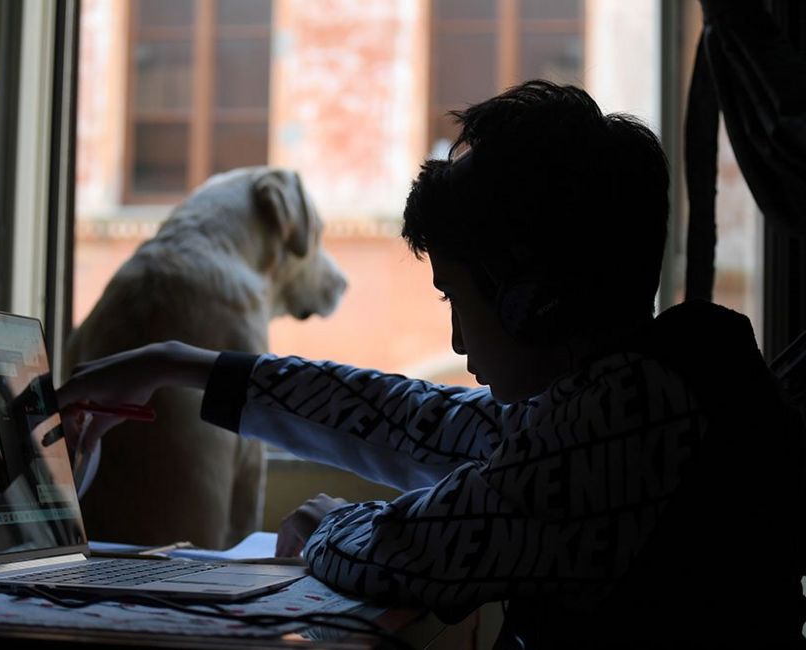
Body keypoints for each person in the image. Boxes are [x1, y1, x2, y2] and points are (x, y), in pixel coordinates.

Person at [57, 81, 806, 648]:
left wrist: (327, 523)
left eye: (456, 297)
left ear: (527, 299)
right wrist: (180, 364)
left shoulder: (626, 418)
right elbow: (417, 419)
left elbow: (414, 550)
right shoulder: (629, 390)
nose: (456, 342)